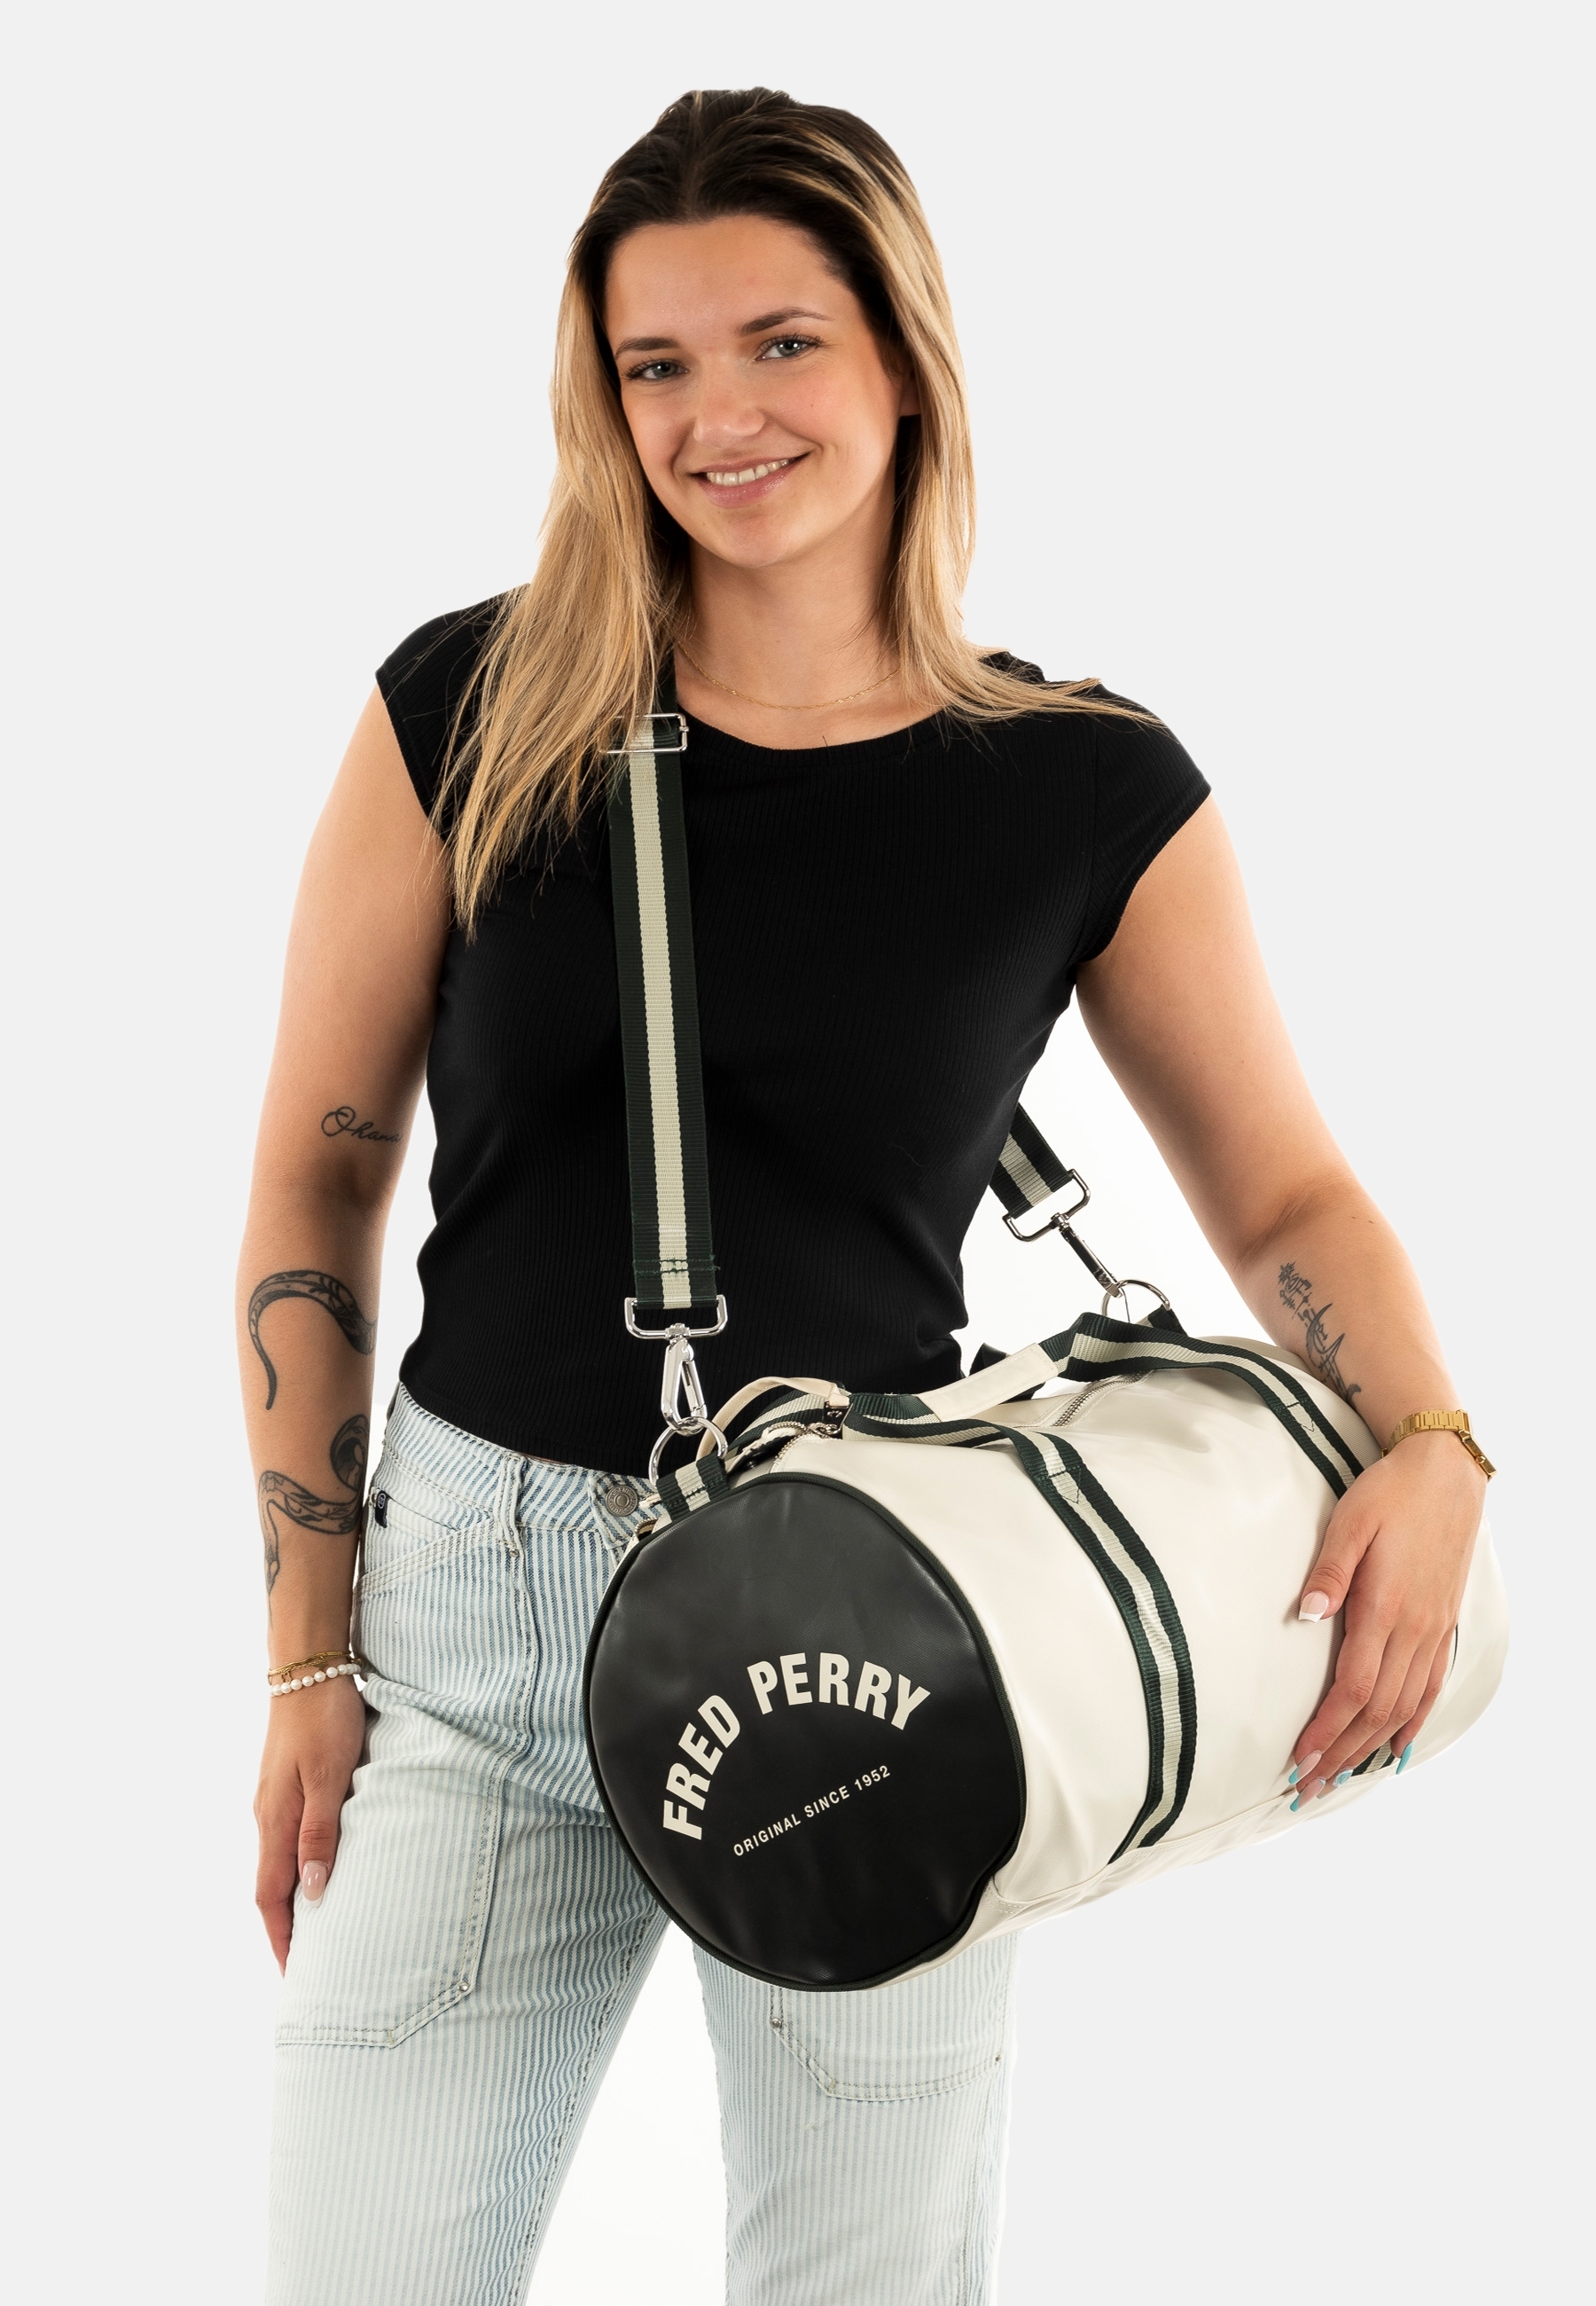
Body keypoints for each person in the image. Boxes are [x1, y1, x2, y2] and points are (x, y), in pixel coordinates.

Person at [241, 86, 1488, 2306]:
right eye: (656, 363)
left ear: (904, 357)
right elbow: (316, 1181)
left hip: (880, 1628)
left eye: (781, 342)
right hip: (478, 1625)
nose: (718, 415)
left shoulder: (1080, 785)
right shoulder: (471, 709)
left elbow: (1286, 1185)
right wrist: (307, 1651)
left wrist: (1433, 1436)